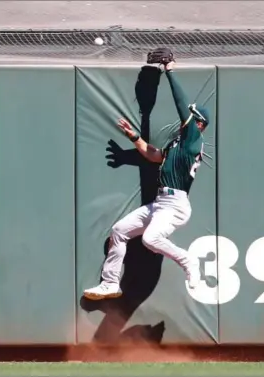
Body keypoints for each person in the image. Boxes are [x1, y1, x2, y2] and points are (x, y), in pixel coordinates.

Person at [83, 61, 209, 300]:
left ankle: (187, 260)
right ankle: (110, 283)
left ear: (199, 124)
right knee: (119, 231)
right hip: (161, 204)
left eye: (193, 118)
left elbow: (182, 105)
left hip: (175, 205)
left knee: (151, 238)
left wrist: (169, 71)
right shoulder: (177, 146)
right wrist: (134, 139)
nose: (187, 120)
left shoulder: (194, 140)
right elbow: (155, 156)